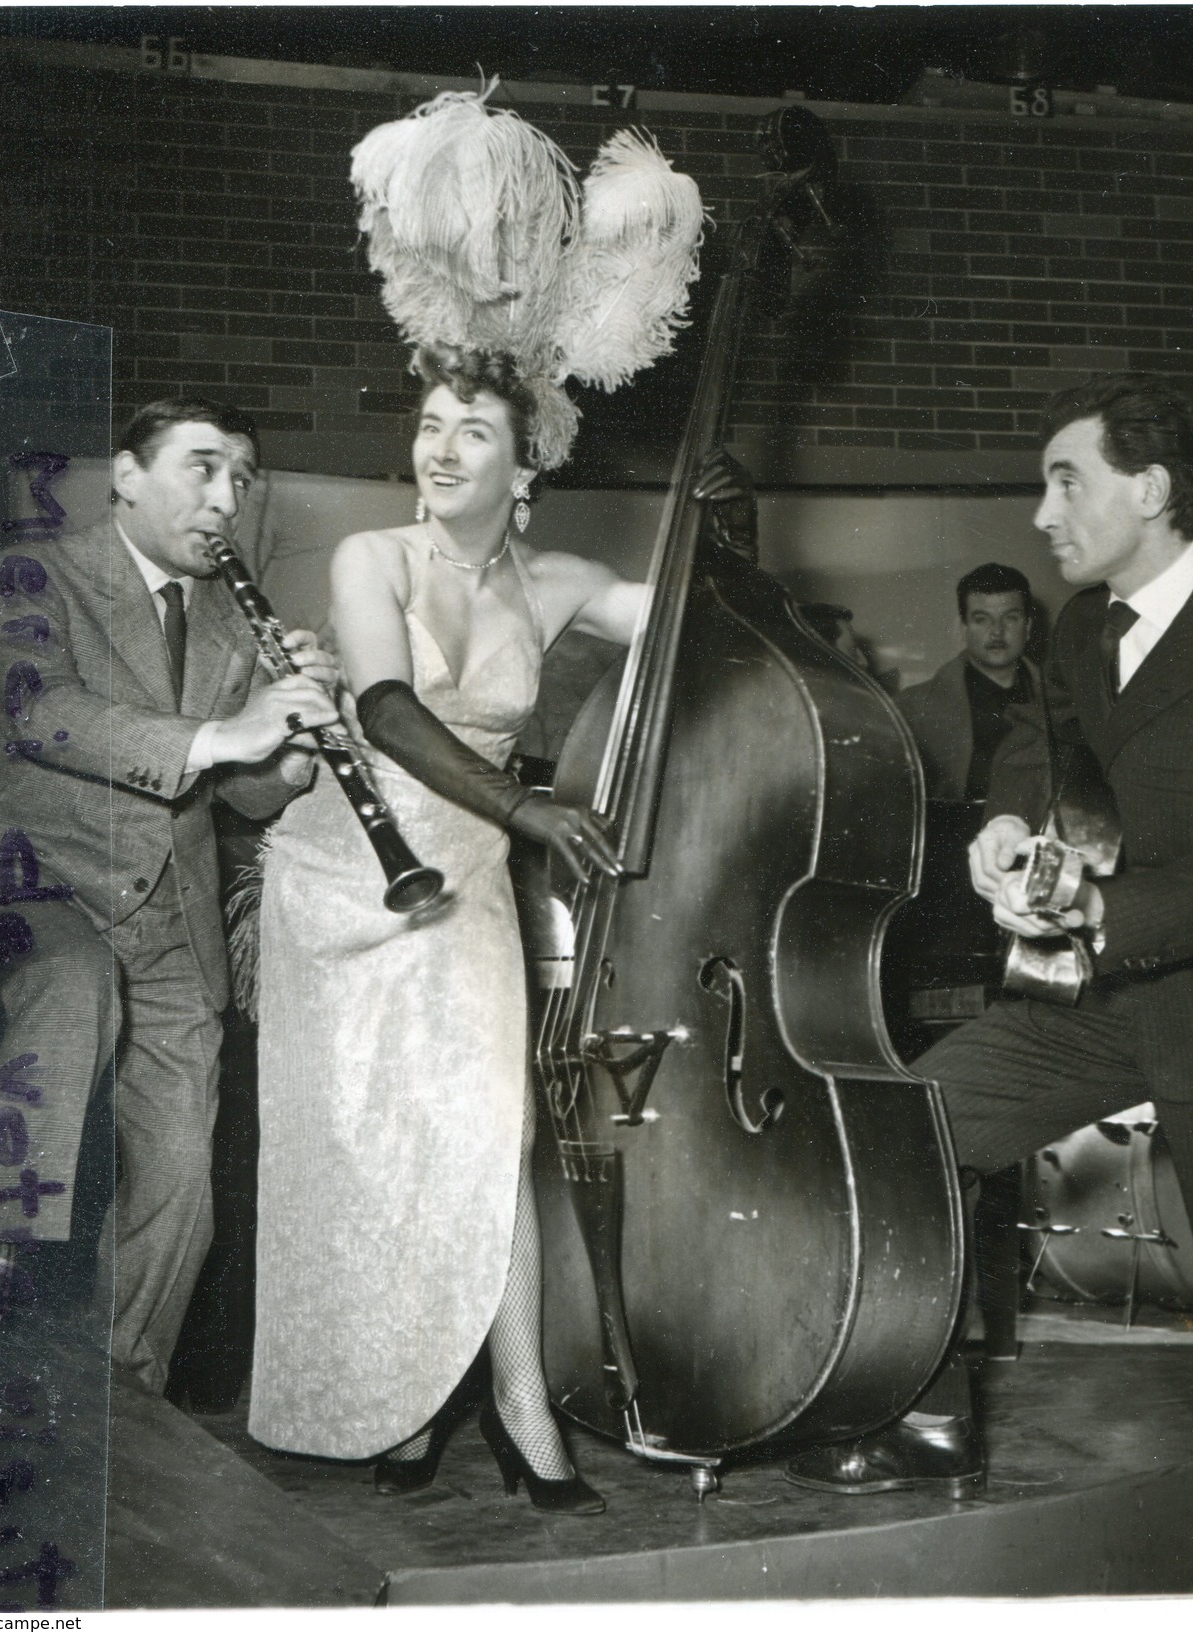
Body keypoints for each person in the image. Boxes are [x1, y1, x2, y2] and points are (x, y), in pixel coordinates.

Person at [785, 374, 1193, 1593]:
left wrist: (1092, 905)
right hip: (1099, 996)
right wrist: (1011, 831)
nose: (1040, 512)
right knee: (909, 1128)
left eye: (1064, 480)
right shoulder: (1082, 629)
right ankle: (920, 1418)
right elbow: (1060, 767)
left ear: (1149, 491)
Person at [246, 345, 750, 1513]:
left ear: (525, 469)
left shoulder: (562, 580)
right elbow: (379, 705)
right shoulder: (372, 557)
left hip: (462, 875)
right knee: (371, 1155)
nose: (441, 446)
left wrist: (730, 525)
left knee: (490, 1131)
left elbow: (695, 624)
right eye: (430, 424)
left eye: (474, 430)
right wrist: (528, 808)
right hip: (345, 875)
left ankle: (521, 1406)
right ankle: (413, 1399)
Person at [0, 398, 340, 1396]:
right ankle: (0, 1266)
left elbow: (245, 789)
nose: (227, 499)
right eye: (202, 469)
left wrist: (294, 738)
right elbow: (40, 713)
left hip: (169, 921)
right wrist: (225, 733)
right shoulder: (26, 576)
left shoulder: (226, 619)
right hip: (35, 883)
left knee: (181, 1183)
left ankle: (122, 1392)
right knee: (75, 987)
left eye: (241, 480)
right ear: (125, 476)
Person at [895, 562, 1038, 802]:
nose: (996, 632)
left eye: (1010, 618)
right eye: (982, 619)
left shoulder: (1064, 700)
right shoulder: (911, 710)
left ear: (1029, 627)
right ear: (962, 629)